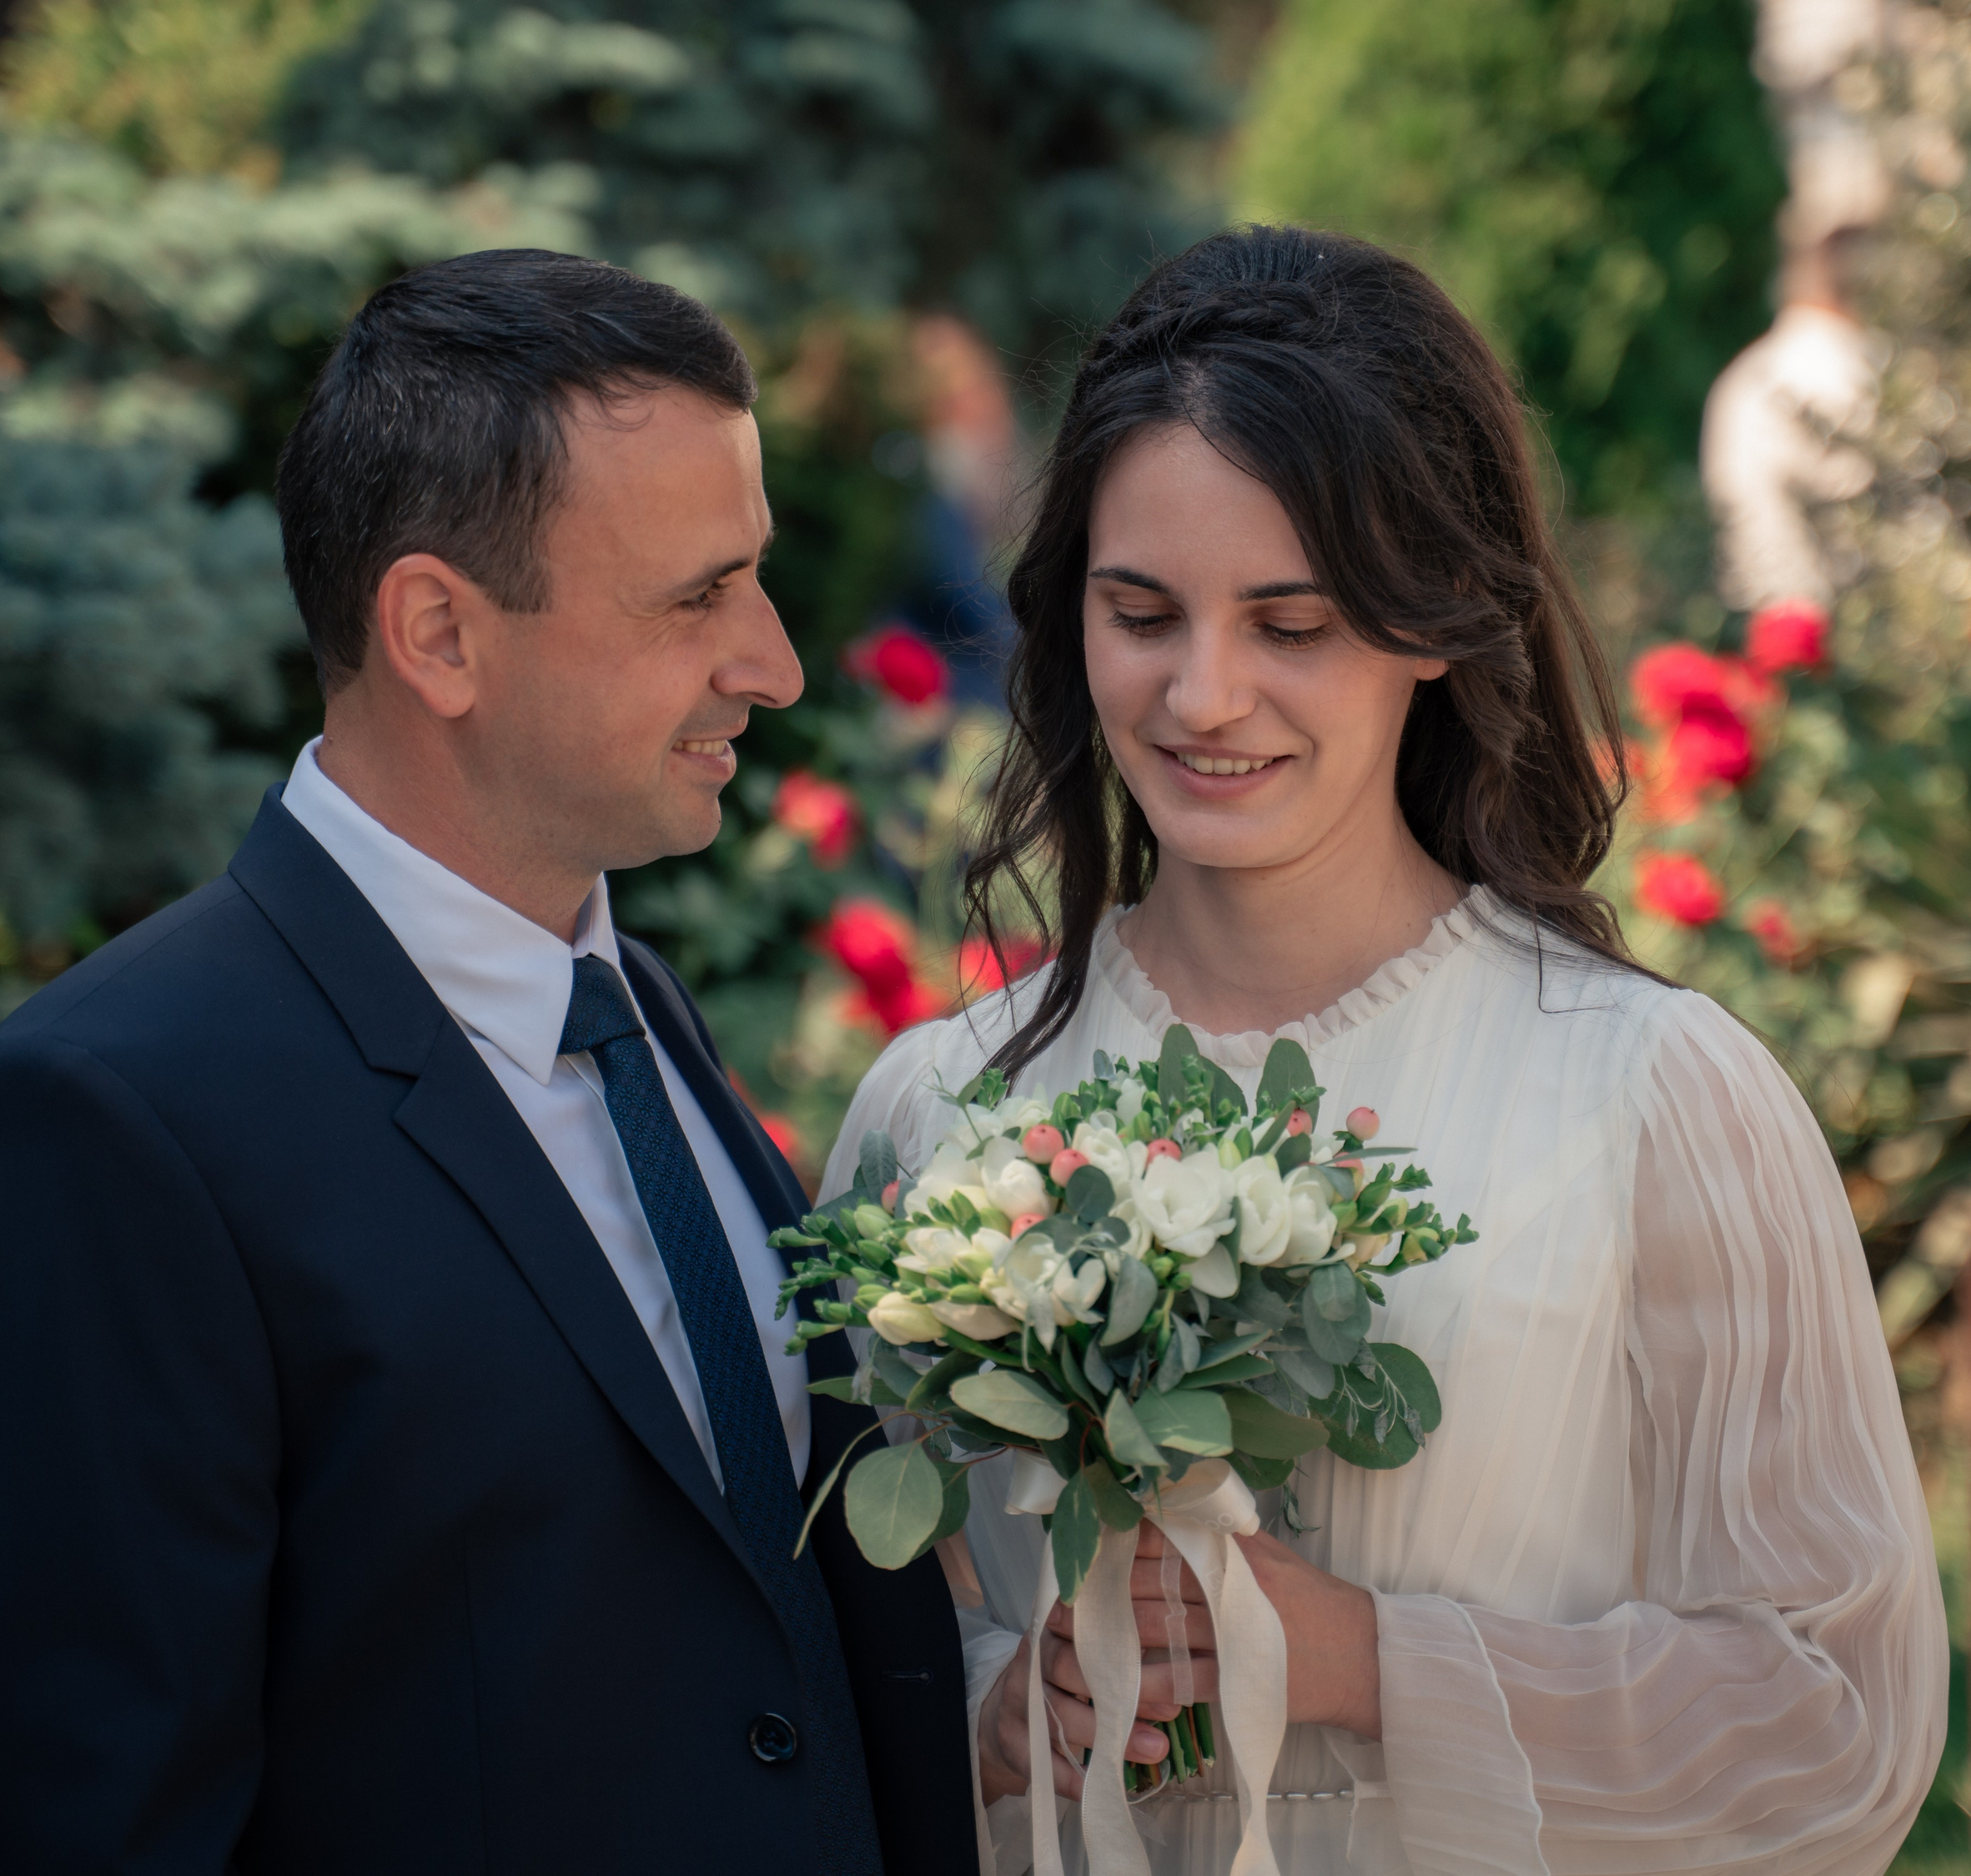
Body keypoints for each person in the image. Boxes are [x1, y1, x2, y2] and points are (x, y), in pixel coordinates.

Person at [823, 225, 1948, 1873]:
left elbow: (1833, 1721)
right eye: (1140, 611)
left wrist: (1362, 1656)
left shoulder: (1654, 1095)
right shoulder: (935, 1109)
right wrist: (997, 1715)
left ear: (1429, 620)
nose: (1203, 693)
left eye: (1290, 622)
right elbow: (818, 1688)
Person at [0, 249, 975, 1873]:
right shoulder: (95, 1129)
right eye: (696, 594)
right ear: (438, 633)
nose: (774, 662)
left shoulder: (635, 1011)